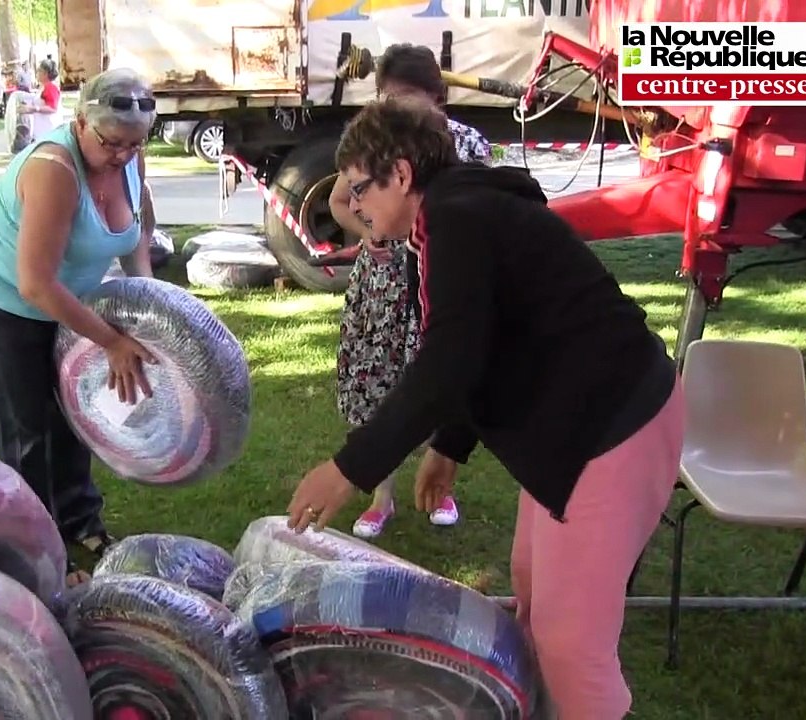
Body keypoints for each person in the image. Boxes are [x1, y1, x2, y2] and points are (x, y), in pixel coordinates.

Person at [286, 98, 683, 720]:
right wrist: (450, 445)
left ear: (402, 173)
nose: (355, 206)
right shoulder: (451, 214)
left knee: (572, 648)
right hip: (574, 430)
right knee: (532, 592)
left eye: (361, 188)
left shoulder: (457, 217)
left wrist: (349, 468)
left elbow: (449, 361)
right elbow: (486, 338)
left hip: (612, 427)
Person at [0, 67, 160, 586]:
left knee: (75, 413)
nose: (124, 155)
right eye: (114, 143)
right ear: (80, 122)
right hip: (4, 298)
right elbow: (35, 285)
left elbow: (139, 232)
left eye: (135, 145)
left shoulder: (129, 157)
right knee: (27, 429)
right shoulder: (54, 169)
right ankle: (40, 550)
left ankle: (80, 520)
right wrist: (111, 339)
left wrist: (152, 304)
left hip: (70, 295)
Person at [328, 43, 492, 539]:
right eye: (387, 98)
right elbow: (341, 201)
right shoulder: (374, 146)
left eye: (408, 99)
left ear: (437, 99)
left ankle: (441, 476)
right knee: (381, 383)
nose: (396, 110)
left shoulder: (467, 146)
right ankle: (381, 496)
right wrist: (371, 231)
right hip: (384, 284)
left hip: (442, 282)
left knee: (441, 375)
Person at [20, 59, 62, 142]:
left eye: (39, 70)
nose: (37, 73)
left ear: (45, 73)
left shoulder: (50, 87)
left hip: (48, 130)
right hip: (42, 132)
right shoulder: (43, 87)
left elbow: (53, 108)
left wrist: (34, 108)